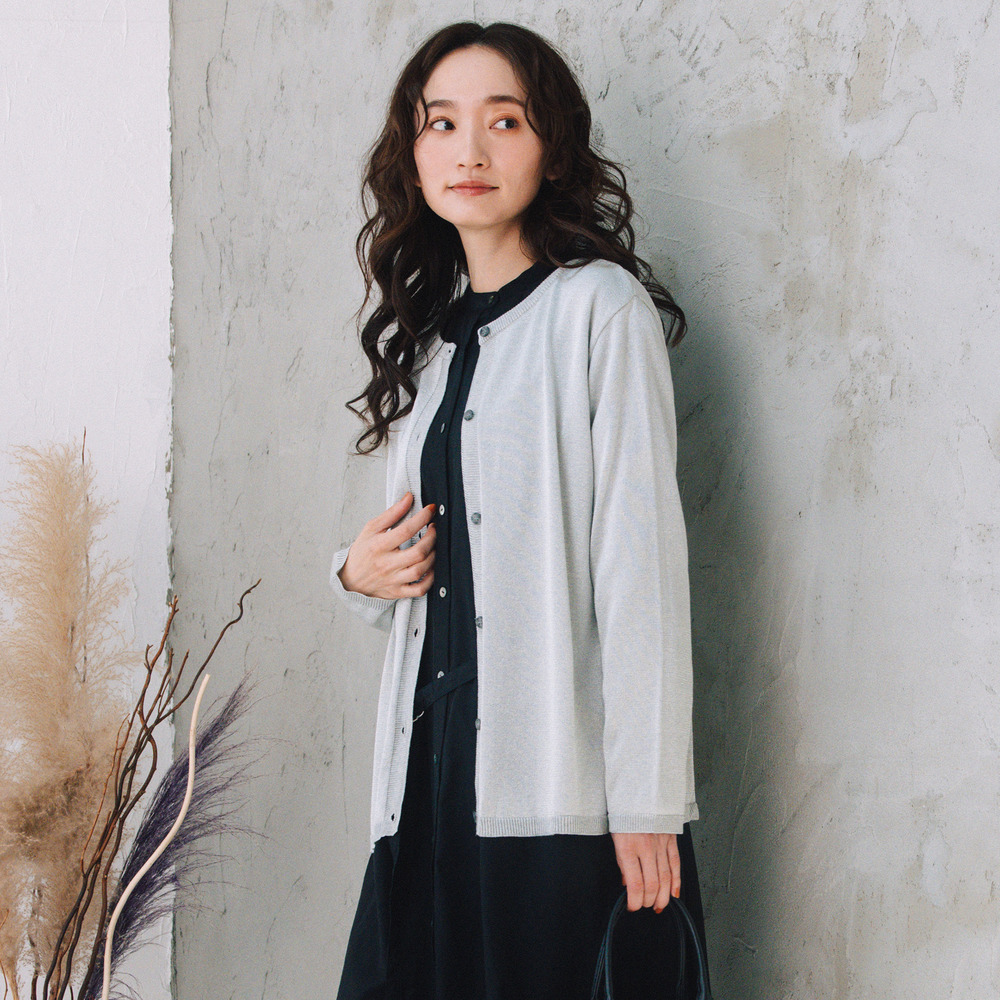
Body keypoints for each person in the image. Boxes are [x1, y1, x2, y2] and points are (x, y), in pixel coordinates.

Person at [330, 20, 707, 1000]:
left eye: (504, 121)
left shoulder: (599, 310)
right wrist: (355, 575)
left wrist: (648, 799)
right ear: (413, 155)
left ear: (552, 147)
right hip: (426, 779)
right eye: (441, 124)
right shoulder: (428, 346)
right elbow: (421, 573)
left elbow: (641, 572)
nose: (470, 151)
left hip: (556, 787)